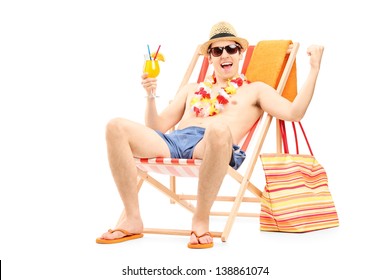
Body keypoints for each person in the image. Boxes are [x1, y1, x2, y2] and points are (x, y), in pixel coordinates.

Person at [96, 21, 324, 249]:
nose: (224, 54)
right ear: (209, 58)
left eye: (231, 49)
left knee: (217, 128)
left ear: (240, 53)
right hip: (174, 143)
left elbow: (294, 113)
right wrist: (150, 95)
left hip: (213, 145)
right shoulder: (192, 89)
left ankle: (201, 218)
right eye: (217, 50)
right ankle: (133, 218)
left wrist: (314, 69)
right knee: (115, 126)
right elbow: (156, 127)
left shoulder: (256, 90)